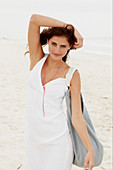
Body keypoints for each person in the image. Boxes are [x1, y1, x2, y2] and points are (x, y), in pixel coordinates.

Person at [24, 14, 94, 170]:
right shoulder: (37, 60)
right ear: (47, 41)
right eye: (54, 43)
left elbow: (77, 116)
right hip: (33, 140)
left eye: (63, 46)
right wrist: (70, 27)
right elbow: (34, 20)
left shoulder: (72, 74)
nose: (57, 50)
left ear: (70, 47)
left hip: (58, 142)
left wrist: (89, 148)